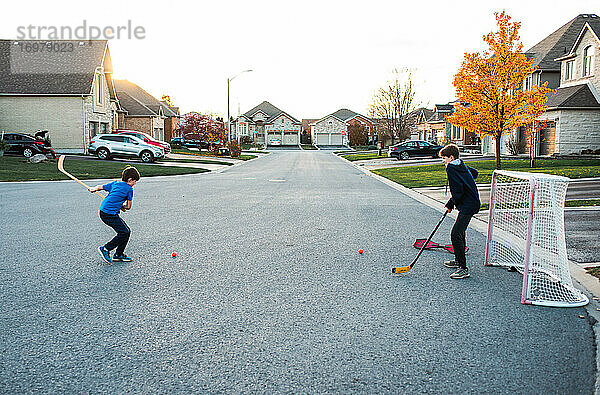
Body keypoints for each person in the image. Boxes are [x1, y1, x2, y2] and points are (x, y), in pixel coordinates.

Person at [439, 144, 480, 279]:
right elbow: (474, 173)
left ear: (451, 157)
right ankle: (458, 260)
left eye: (444, 158)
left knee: (456, 234)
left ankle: (463, 268)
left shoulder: (452, 168)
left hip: (468, 205)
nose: (443, 161)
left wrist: (450, 204)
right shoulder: (460, 164)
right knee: (460, 232)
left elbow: (458, 192)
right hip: (470, 203)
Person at [88, 167, 140, 264]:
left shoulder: (115, 183)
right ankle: (106, 249)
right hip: (109, 214)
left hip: (103, 211)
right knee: (124, 232)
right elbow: (129, 206)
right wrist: (123, 206)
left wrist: (93, 189)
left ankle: (119, 254)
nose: (135, 183)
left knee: (126, 231)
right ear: (130, 180)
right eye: (135, 181)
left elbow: (100, 187)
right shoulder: (129, 189)